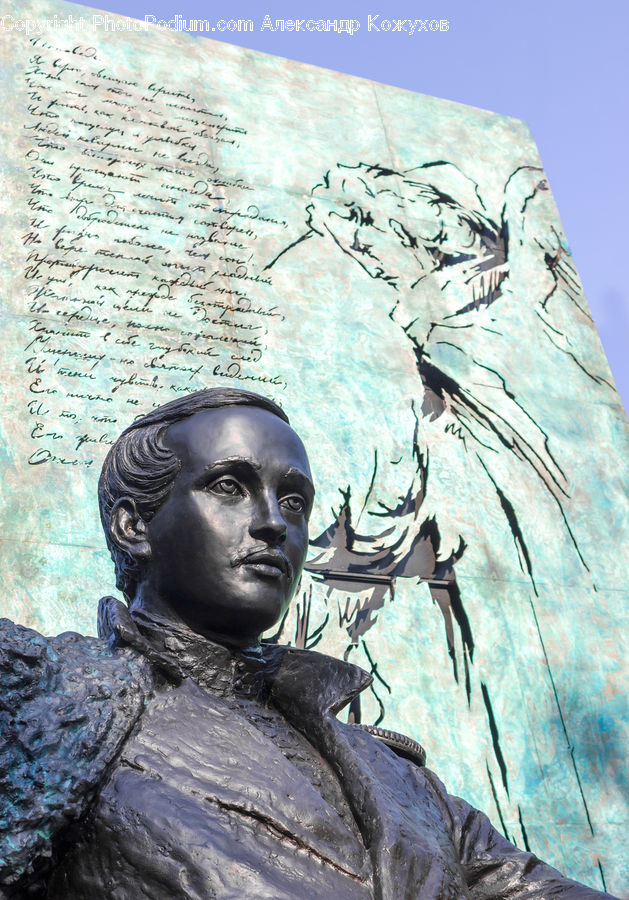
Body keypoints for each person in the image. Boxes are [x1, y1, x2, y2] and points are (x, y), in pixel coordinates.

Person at [0, 388, 616, 899]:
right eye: (228, 487)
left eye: (293, 500)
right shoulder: (46, 701)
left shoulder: (394, 776)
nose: (273, 521)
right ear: (134, 525)